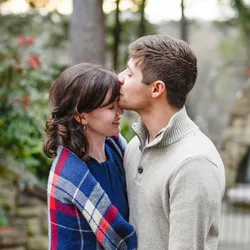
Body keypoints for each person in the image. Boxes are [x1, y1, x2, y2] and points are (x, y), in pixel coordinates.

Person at [118, 35, 225, 250]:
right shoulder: (134, 147)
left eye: (130, 74)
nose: (119, 77)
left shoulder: (194, 164)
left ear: (157, 89)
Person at [43, 63, 137, 250]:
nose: (120, 112)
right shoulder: (69, 175)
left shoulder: (117, 150)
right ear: (82, 117)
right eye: (111, 107)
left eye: (117, 104)